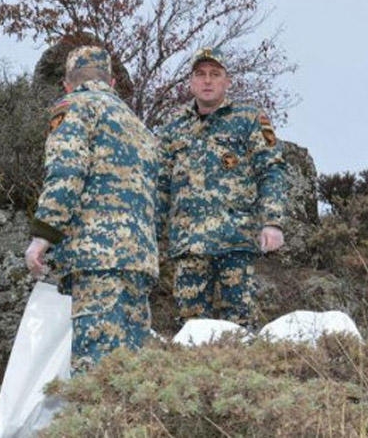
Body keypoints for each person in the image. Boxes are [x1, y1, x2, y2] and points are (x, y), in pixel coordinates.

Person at [24, 46, 159, 373]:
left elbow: (67, 173)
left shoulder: (74, 107)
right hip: (139, 262)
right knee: (134, 375)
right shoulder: (137, 125)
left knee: (96, 373)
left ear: (67, 84)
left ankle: (100, 427)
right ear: (111, 81)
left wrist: (43, 237)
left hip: (97, 260)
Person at [157, 47, 287, 329]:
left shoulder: (249, 119)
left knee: (240, 329)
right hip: (189, 246)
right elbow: (160, 188)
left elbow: (272, 170)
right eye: (200, 74)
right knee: (191, 333)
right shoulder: (172, 128)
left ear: (227, 81)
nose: (207, 81)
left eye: (215, 74)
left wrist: (273, 222)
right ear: (190, 82)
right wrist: (151, 240)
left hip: (235, 242)